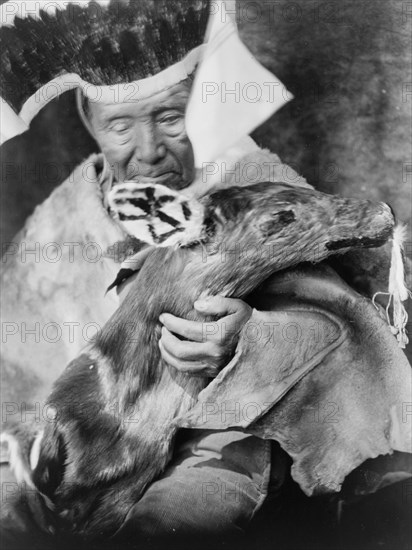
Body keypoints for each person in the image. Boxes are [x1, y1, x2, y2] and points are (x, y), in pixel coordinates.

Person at [0, 0, 410, 546]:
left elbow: (341, 325)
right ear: (88, 121)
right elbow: (16, 371)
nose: (148, 153)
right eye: (120, 126)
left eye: (170, 117)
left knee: (176, 520)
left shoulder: (257, 188)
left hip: (222, 441)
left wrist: (246, 339)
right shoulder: (59, 227)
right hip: (76, 457)